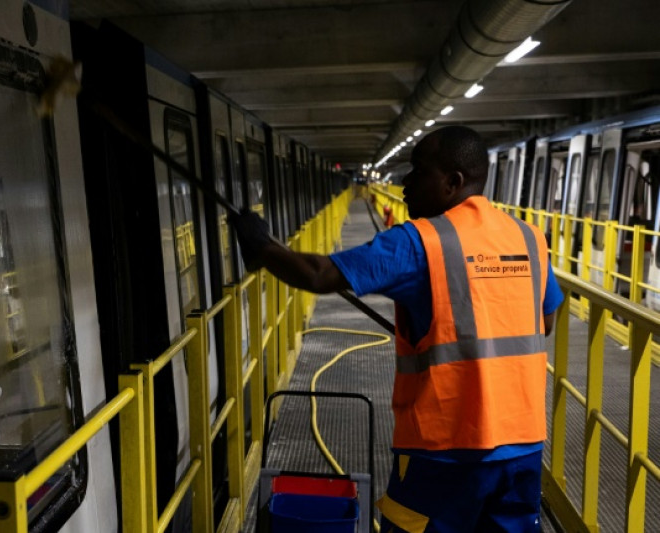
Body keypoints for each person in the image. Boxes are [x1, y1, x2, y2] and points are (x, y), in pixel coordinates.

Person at [231, 125, 563, 533]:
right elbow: (543, 320)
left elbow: (320, 275)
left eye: (417, 171)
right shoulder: (528, 237)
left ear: (452, 182)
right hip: (522, 446)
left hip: (444, 453)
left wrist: (263, 248)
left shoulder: (419, 241)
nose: (404, 183)